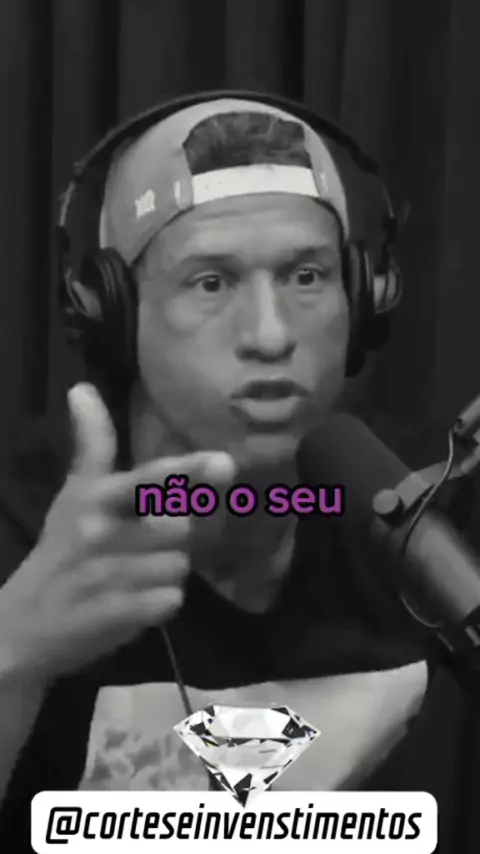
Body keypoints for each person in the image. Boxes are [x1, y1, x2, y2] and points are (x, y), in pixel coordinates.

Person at [0, 92, 469, 852]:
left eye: (306, 276)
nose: (270, 334)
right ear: (115, 313)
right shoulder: (24, 529)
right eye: (211, 282)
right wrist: (11, 652)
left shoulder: (426, 513)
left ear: (363, 296)